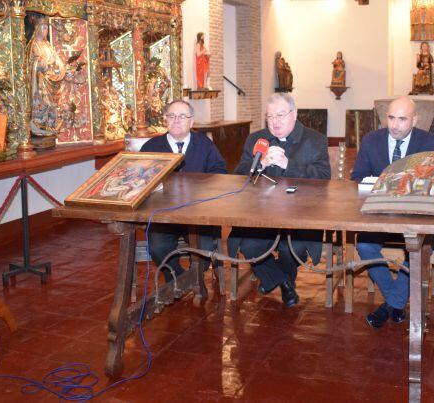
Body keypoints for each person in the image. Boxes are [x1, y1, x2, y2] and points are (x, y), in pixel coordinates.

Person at [350, 96, 434, 328]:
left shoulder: (430, 143)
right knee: (364, 245)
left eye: (402, 119)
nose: (395, 125)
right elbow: (356, 179)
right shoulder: (372, 140)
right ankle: (396, 303)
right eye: (391, 118)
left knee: (419, 248)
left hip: (416, 217)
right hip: (378, 216)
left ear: (415, 119)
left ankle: (390, 304)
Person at [232, 93, 330, 308]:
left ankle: (273, 279)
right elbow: (238, 175)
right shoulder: (256, 139)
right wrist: (260, 164)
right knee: (249, 245)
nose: (274, 121)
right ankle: (284, 283)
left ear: (294, 114)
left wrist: (289, 164)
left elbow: (324, 179)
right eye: (269, 117)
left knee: (290, 249)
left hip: (301, 216)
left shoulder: (315, 140)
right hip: (262, 214)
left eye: (280, 115)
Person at [141, 100, 227, 281]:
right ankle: (177, 279)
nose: (176, 120)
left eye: (182, 116)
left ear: (192, 121)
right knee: (157, 247)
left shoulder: (205, 144)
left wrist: (202, 189)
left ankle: (189, 280)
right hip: (164, 215)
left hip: (199, 214)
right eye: (171, 116)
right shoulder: (151, 147)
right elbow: (139, 181)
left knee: (204, 249)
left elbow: (220, 173)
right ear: (165, 119)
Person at [28, 18, 66, 147]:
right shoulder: (34, 45)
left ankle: (49, 126)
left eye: (46, 28)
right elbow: (32, 63)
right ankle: (39, 125)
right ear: (37, 28)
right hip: (40, 80)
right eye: (43, 27)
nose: (45, 30)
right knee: (42, 103)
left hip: (50, 79)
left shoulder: (48, 45)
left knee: (52, 105)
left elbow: (56, 60)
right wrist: (40, 64)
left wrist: (60, 68)